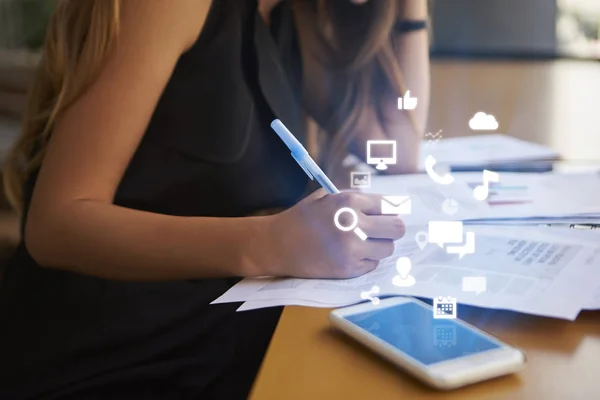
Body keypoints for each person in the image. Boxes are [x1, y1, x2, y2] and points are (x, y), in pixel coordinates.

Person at [0, 0, 429, 398]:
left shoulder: (292, 14)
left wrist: (412, 8)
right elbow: (56, 224)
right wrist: (269, 242)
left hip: (209, 325)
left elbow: (398, 146)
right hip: (110, 350)